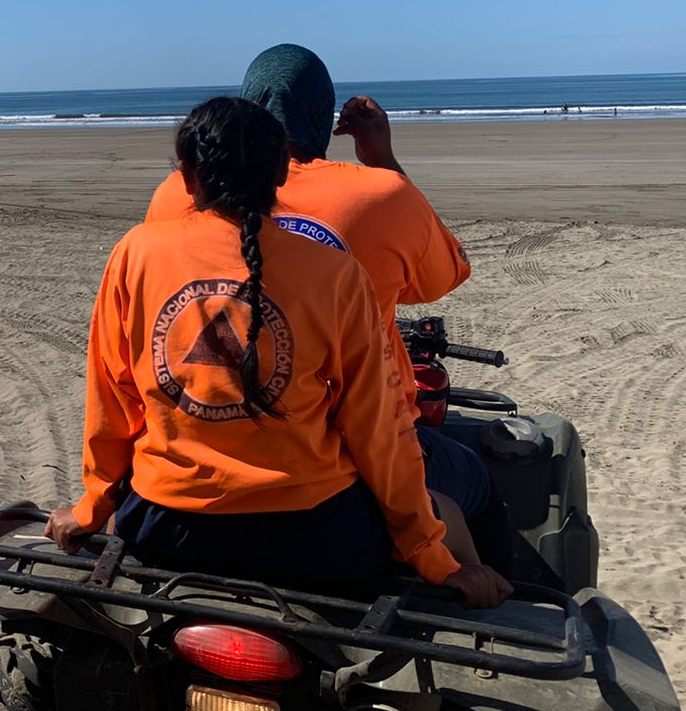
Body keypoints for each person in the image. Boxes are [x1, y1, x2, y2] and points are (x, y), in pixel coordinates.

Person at [47, 97, 511, 608]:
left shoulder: (135, 252)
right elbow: (377, 430)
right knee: (462, 506)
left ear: (186, 175)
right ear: (281, 174)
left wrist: (92, 507)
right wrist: (432, 556)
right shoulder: (336, 274)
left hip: (164, 528)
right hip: (313, 539)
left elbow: (113, 401)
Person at [144, 45, 508, 571]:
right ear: (321, 114)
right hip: (321, 479)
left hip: (187, 468)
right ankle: (504, 606)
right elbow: (445, 275)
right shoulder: (379, 197)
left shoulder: (176, 196)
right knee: (475, 479)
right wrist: (382, 162)